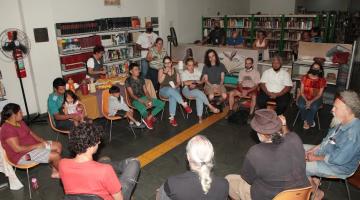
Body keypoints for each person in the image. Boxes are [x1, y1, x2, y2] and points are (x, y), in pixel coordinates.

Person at [226, 109, 309, 200]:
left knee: (229, 180)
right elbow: (288, 135)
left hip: (270, 197)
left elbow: (248, 179)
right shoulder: (294, 138)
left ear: (261, 133)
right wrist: (284, 125)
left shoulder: (256, 152)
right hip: (299, 194)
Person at [59, 123, 140, 200]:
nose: (99, 142)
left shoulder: (62, 164)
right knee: (134, 162)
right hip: (108, 183)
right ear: (91, 146)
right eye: (97, 141)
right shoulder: (104, 170)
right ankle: (107, 166)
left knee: (105, 161)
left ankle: (106, 163)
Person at [304, 91, 360, 200]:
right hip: (329, 152)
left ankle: (317, 193)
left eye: (336, 107)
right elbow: (329, 139)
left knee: (299, 167)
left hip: (340, 166)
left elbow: (339, 159)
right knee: (298, 149)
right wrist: (315, 149)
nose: (332, 110)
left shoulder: (352, 135)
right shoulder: (344, 120)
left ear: (347, 110)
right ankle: (313, 178)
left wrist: (315, 157)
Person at [157, 135, 229, 200]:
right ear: (212, 155)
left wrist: (162, 191)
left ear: (188, 157)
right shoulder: (224, 184)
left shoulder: (173, 183)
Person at [0, 103, 62, 178]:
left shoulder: (19, 122)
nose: (22, 113)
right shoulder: (7, 129)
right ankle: (64, 175)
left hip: (33, 147)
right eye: (20, 112)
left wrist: (41, 140)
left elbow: (30, 132)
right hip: (22, 156)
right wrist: (37, 146)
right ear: (13, 115)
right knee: (55, 155)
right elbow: (17, 149)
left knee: (58, 146)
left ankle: (55, 171)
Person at [125, 63, 165, 130]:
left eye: (138, 69)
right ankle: (149, 118)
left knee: (161, 104)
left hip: (144, 97)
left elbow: (146, 91)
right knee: (143, 110)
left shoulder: (141, 79)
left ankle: (148, 118)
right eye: (136, 69)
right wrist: (143, 102)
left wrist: (149, 99)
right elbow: (132, 95)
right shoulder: (128, 81)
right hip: (135, 100)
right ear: (131, 71)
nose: (138, 71)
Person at [181, 58, 220, 123]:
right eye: (189, 65)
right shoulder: (184, 73)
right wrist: (194, 81)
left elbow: (202, 80)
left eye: (192, 65)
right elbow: (184, 83)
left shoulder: (197, 71)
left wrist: (198, 82)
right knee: (199, 93)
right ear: (186, 66)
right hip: (186, 90)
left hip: (196, 89)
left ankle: (200, 117)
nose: (191, 67)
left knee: (199, 96)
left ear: (194, 65)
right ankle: (210, 106)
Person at [158, 56, 192, 126]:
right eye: (165, 63)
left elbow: (179, 82)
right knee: (171, 90)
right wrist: (165, 73)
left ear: (171, 63)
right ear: (163, 64)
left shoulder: (175, 70)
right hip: (164, 90)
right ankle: (184, 104)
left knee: (172, 96)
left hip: (175, 90)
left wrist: (176, 86)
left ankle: (172, 118)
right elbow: (160, 82)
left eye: (169, 63)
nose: (167, 64)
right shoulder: (161, 70)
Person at [297, 62, 326, 129]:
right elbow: (301, 92)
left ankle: (308, 121)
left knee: (314, 107)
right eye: (313, 68)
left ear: (320, 70)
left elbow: (319, 94)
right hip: (304, 96)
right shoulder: (304, 77)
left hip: (316, 98)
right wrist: (307, 101)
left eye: (317, 68)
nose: (315, 69)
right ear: (311, 68)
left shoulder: (322, 80)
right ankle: (308, 119)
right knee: (301, 105)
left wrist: (310, 102)